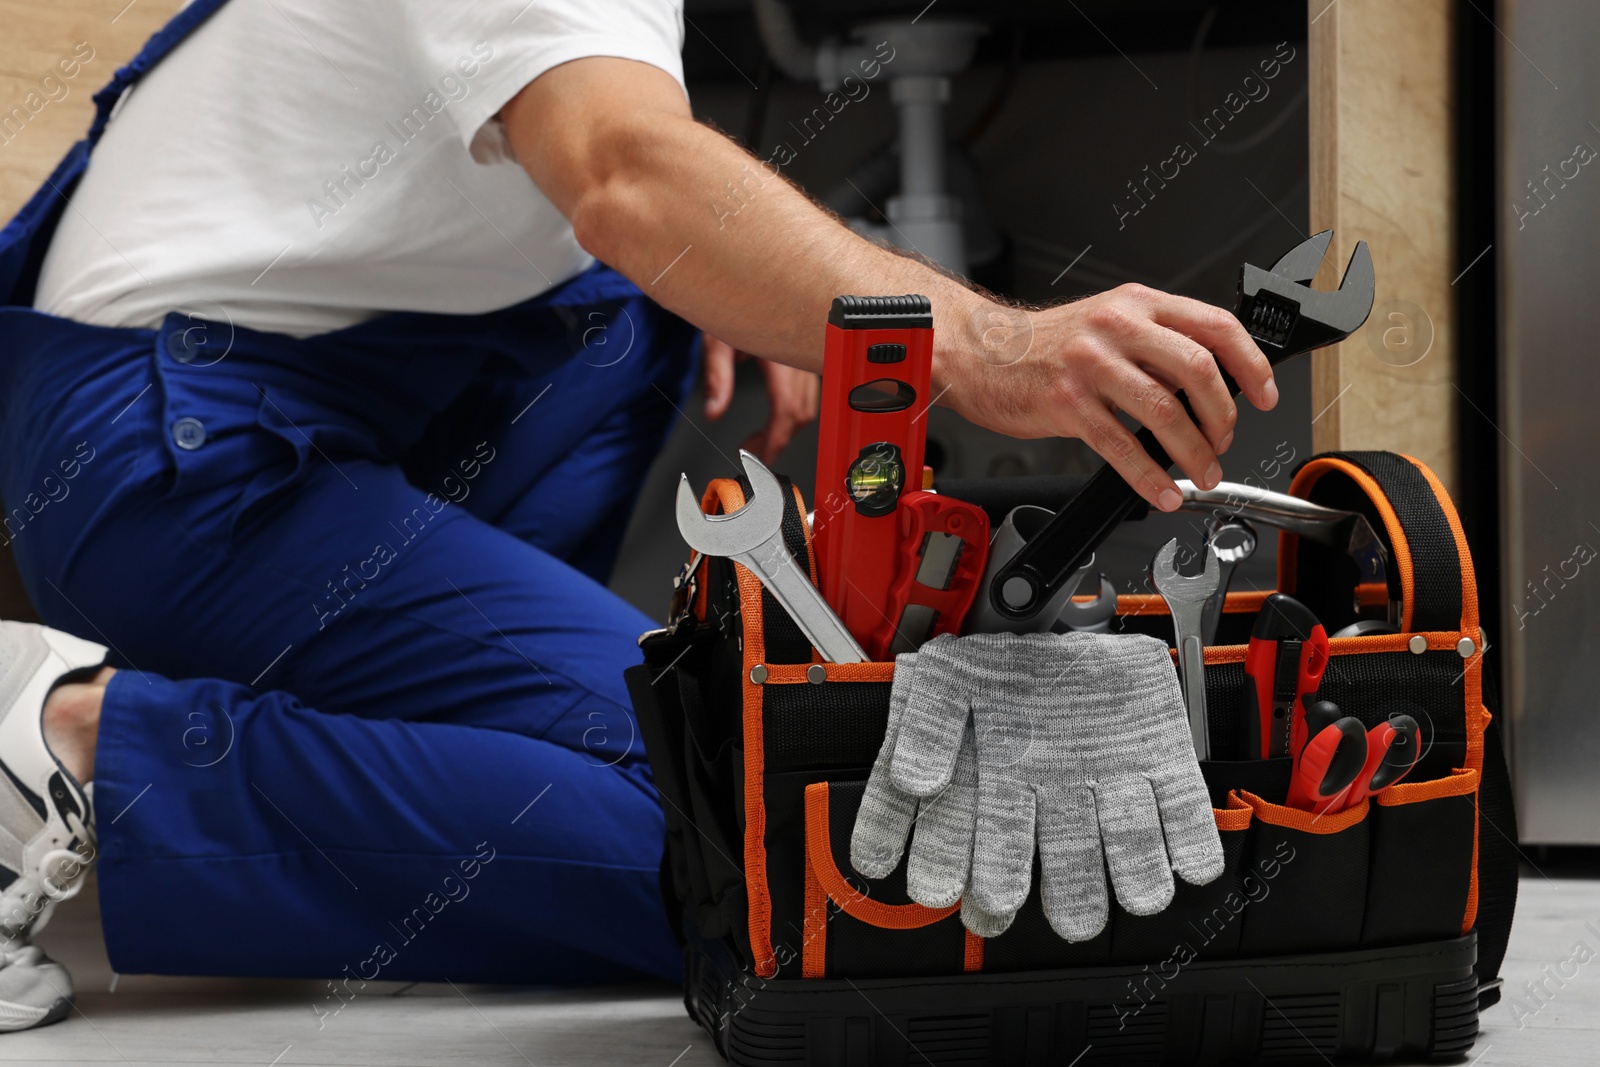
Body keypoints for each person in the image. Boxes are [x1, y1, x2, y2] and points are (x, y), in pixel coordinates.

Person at [0, 0, 1276, 1029]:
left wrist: (733, 295)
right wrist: (988, 342)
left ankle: (380, 755)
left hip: (274, 411)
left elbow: (611, 187)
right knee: (737, 845)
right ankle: (71, 745)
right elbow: (621, 174)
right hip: (177, 452)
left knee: (641, 317)